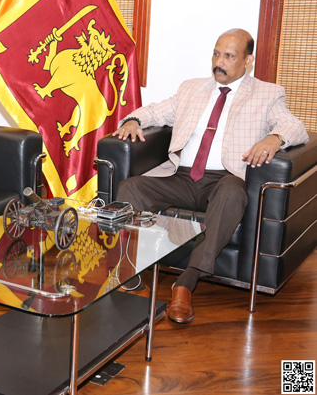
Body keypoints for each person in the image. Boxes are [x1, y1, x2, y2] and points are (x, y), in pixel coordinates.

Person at [111, 28, 308, 324]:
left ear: (248, 60)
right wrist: (134, 119)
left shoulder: (267, 93)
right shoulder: (192, 88)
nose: (219, 61)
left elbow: (296, 127)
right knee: (131, 188)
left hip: (224, 179)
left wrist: (275, 138)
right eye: (216, 53)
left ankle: (186, 284)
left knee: (232, 191)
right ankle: (130, 271)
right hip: (181, 177)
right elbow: (158, 111)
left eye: (229, 56)